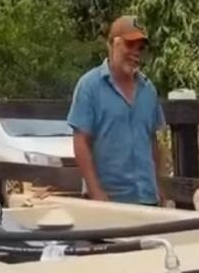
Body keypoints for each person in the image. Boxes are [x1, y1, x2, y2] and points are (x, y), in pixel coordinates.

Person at [67, 14, 166, 205]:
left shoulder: (149, 90)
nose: (136, 53)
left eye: (140, 48)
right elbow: (80, 142)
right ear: (111, 44)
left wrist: (159, 188)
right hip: (110, 200)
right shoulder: (89, 87)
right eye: (129, 45)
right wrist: (95, 192)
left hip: (147, 198)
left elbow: (152, 141)